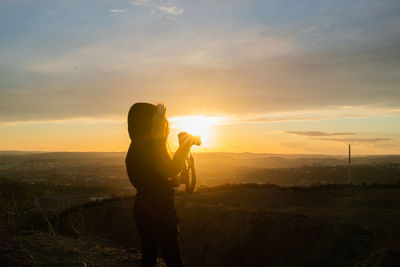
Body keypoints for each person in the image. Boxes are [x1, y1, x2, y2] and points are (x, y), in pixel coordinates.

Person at [125, 102, 195, 267]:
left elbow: (153, 179)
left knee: (149, 256)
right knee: (173, 260)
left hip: (144, 209)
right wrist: (184, 146)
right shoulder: (148, 148)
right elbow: (170, 169)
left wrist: (172, 182)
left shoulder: (137, 147)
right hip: (160, 211)